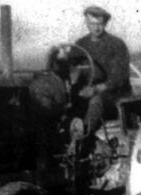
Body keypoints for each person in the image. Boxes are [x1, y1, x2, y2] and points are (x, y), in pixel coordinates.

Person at [53, 5, 132, 136]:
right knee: (64, 100)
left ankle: (84, 133)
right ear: (87, 23)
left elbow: (119, 77)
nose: (96, 28)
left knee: (96, 101)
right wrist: (62, 60)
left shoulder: (116, 44)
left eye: (99, 24)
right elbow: (71, 67)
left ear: (105, 23)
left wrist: (95, 89)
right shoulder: (81, 44)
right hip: (88, 90)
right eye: (92, 24)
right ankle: (61, 132)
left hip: (113, 93)